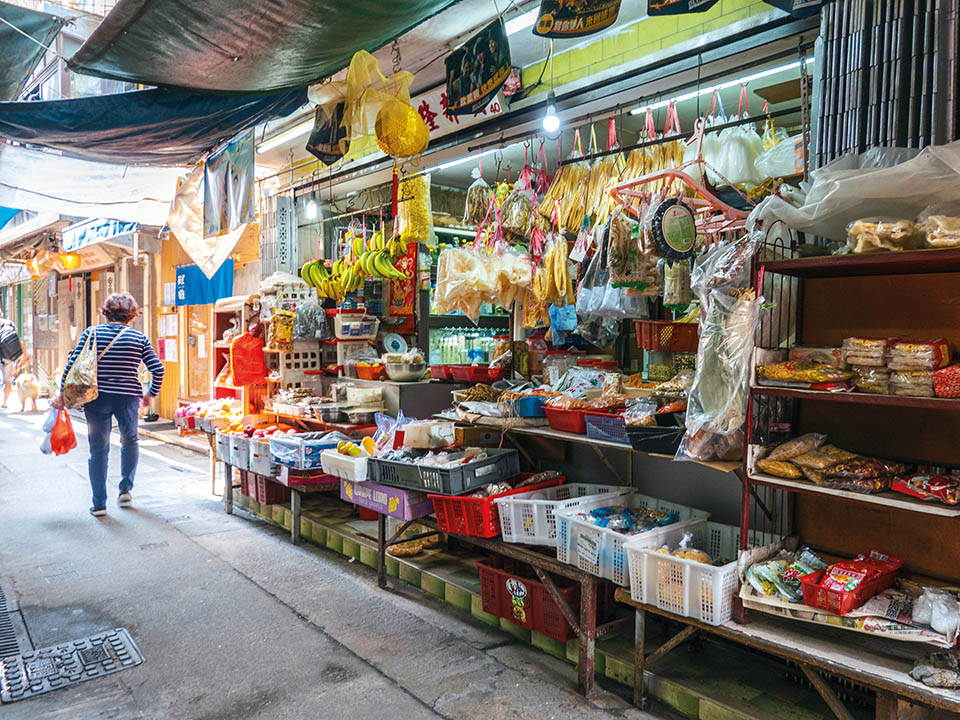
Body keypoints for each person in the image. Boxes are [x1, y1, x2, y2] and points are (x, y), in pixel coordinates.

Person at [52, 292, 164, 517]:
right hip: (128, 398)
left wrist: (62, 394)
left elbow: (72, 365)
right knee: (130, 441)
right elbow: (158, 369)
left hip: (96, 397)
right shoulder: (138, 338)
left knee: (98, 449)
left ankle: (99, 504)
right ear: (131, 316)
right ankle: (125, 489)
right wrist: (150, 393)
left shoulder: (91, 333)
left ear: (105, 313)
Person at [0, 311, 23, 409]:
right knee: (8, 381)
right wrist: (23, 355)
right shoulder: (9, 324)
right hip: (8, 356)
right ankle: (4, 403)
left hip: (4, 356)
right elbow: (18, 339)